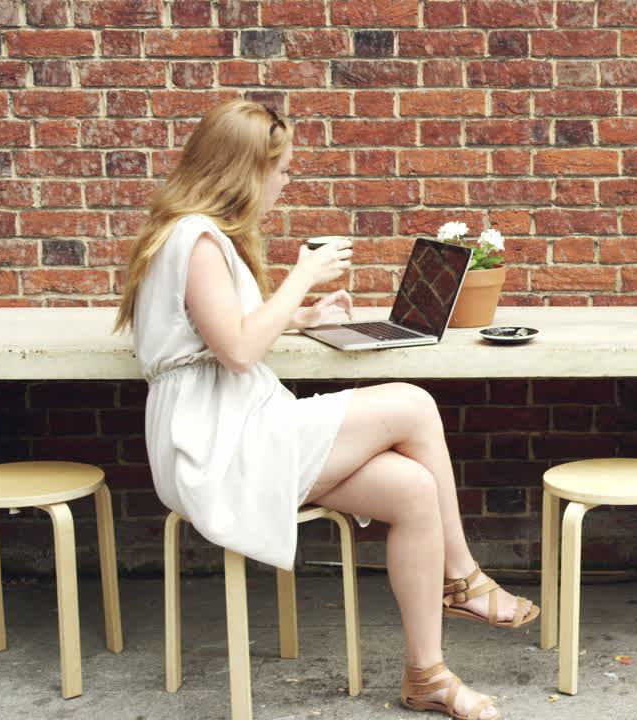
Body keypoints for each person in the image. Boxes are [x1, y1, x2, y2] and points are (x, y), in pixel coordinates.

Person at [114, 99, 536, 720]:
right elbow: (234, 350)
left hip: (236, 426)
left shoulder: (196, 234)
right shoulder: (196, 238)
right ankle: (465, 578)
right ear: (243, 170)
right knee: (414, 404)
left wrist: (304, 317)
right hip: (220, 444)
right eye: (280, 169)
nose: (286, 182)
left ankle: (429, 676)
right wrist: (300, 279)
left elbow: (216, 335)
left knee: (415, 490)